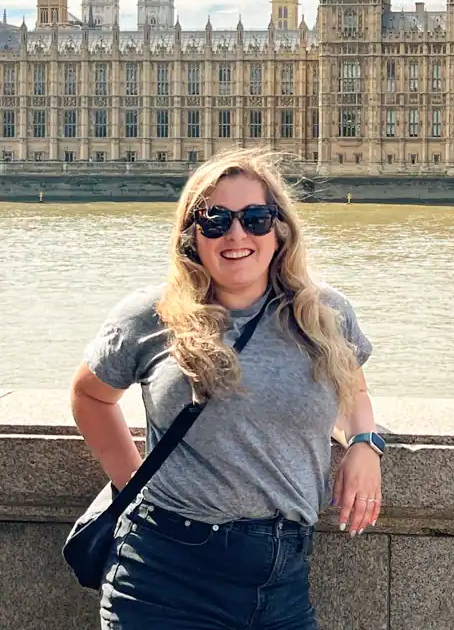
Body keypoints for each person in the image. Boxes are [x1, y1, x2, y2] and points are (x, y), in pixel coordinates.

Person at [70, 147, 382, 629]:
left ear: (280, 228)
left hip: (282, 580)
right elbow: (90, 395)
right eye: (215, 220)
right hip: (164, 577)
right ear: (192, 235)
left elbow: (352, 391)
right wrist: (133, 483)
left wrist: (365, 443)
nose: (237, 234)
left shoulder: (324, 314)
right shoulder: (151, 315)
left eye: (255, 218)